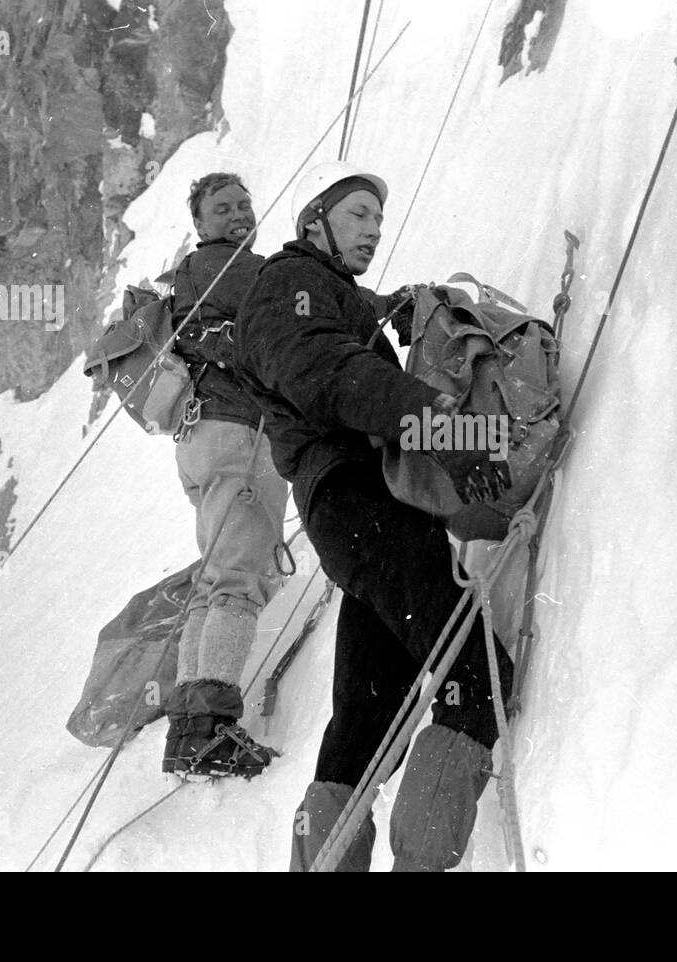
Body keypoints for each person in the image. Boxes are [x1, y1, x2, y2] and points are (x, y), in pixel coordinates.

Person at [230, 160, 514, 870]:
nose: (374, 229)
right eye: (358, 214)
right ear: (314, 221)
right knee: (473, 671)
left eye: (379, 219)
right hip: (362, 501)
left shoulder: (323, 295)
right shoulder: (285, 288)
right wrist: (442, 428)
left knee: (364, 729)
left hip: (354, 517)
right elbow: (331, 373)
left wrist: (389, 311)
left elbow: (340, 343)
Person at [161, 173, 289, 777]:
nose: (239, 214)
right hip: (240, 434)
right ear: (201, 223)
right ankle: (212, 731)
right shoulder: (237, 267)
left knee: (212, 583)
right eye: (223, 208)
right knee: (237, 579)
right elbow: (295, 312)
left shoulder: (191, 273)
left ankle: (189, 729)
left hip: (199, 438)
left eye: (243, 203)